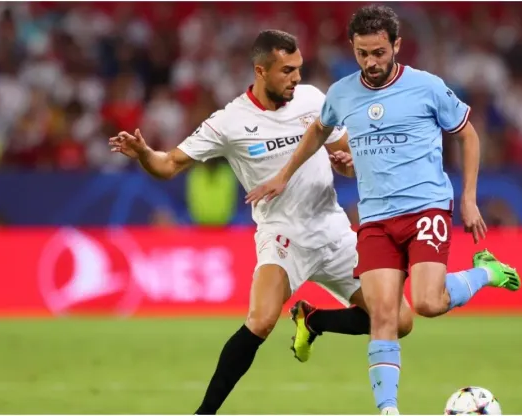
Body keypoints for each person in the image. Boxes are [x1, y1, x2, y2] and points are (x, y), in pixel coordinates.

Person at [109, 29, 415, 415]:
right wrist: (143, 154)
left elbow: (349, 155)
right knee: (261, 320)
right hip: (282, 235)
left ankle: (314, 319)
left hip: (334, 230)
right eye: (287, 70)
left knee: (400, 320)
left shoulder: (313, 99)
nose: (296, 78)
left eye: (299, 68)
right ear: (261, 70)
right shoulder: (230, 122)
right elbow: (168, 165)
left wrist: (351, 165)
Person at [245, 7, 522, 415]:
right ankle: (388, 410)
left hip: (426, 208)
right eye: (362, 54)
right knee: (383, 316)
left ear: (396, 46)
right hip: (375, 219)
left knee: (428, 303)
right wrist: (285, 174)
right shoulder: (341, 93)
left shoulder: (426, 87)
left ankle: (488, 271)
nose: (371, 62)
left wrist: (468, 198)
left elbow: (468, 134)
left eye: (378, 52)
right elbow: (319, 131)